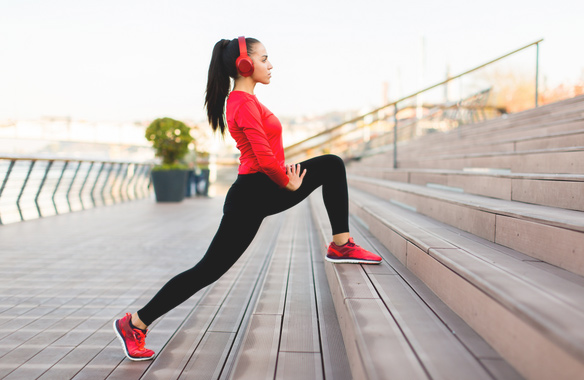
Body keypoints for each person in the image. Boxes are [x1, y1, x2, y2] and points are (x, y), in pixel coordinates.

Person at [113, 36, 382, 361]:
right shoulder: (241, 103)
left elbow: (266, 156)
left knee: (331, 166)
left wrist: (285, 179)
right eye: (264, 58)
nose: (271, 65)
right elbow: (265, 159)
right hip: (254, 193)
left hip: (260, 189)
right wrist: (289, 183)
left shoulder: (246, 101)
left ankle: (341, 244)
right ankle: (135, 323)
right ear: (244, 64)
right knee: (207, 270)